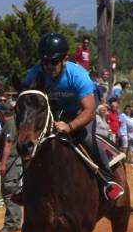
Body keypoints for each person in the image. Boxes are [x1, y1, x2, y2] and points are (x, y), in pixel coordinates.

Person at [23, 32, 124, 201]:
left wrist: (69, 127)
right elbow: (26, 97)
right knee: (28, 144)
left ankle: (108, 181)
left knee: (90, 140)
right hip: (52, 114)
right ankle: (24, 186)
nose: (48, 66)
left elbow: (89, 111)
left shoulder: (78, 76)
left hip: (80, 113)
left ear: (64, 59)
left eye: (54, 61)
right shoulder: (35, 73)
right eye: (45, 61)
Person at [0, 102, 22, 232]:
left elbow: (8, 144)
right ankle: (14, 222)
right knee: (11, 191)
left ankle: (12, 223)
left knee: (9, 192)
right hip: (13, 162)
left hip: (11, 163)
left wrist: (3, 163)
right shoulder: (12, 123)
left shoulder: (10, 124)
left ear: (2, 113)